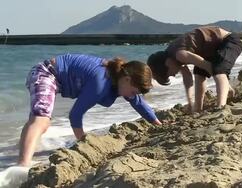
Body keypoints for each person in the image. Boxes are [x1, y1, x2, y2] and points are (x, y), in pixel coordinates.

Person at [19, 53, 162, 166]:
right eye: (133, 92)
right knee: (41, 121)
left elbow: (138, 102)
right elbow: (75, 115)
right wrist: (82, 141)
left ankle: (24, 150)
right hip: (46, 73)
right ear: (127, 79)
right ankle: (22, 165)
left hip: (52, 77)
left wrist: (156, 122)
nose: (133, 96)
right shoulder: (100, 83)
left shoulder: (118, 79)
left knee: (37, 120)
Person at [147, 26, 242, 113]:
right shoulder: (174, 58)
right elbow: (187, 79)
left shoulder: (180, 55)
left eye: (168, 74)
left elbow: (208, 66)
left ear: (167, 63)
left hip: (228, 41)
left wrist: (227, 85)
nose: (173, 75)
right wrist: (190, 101)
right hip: (210, 50)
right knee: (198, 72)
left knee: (218, 70)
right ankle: (197, 108)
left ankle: (221, 106)